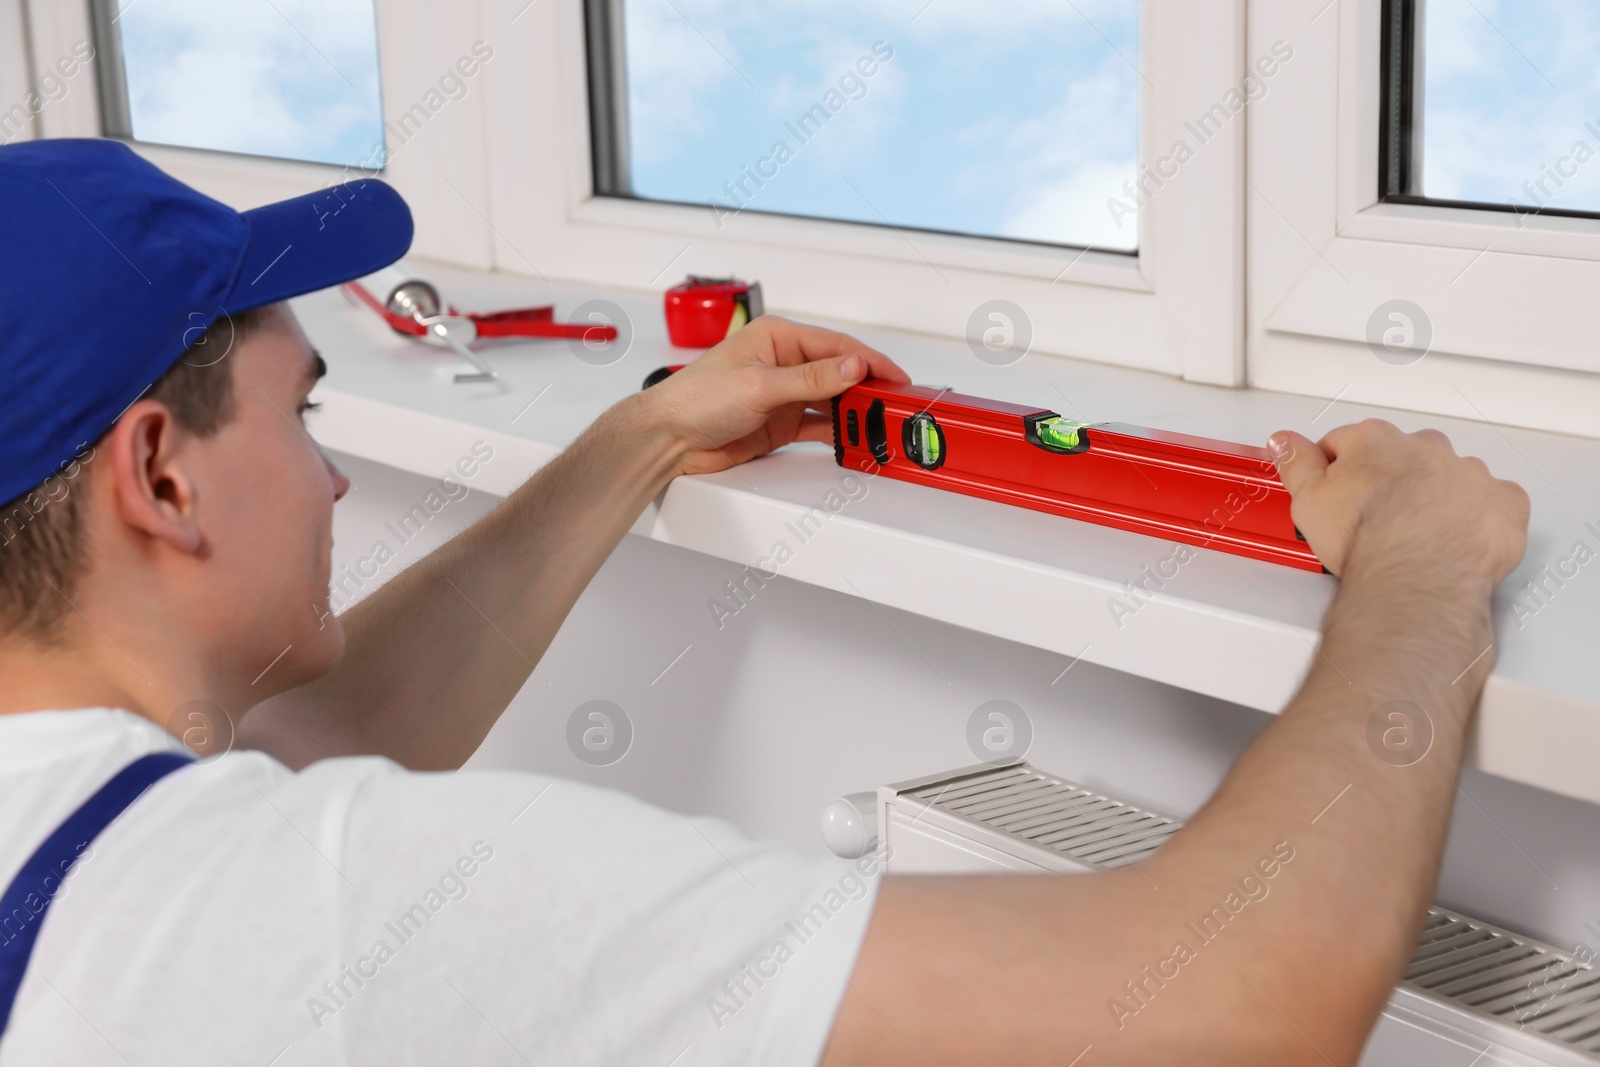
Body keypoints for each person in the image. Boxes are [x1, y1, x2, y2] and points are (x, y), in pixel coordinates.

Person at [0, 139, 1529, 1067]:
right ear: (164, 478)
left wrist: (645, 434)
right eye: (302, 416)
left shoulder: (87, 831)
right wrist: (1419, 574)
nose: (329, 484)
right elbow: (1244, 1014)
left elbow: (319, 739)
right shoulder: (287, 912)